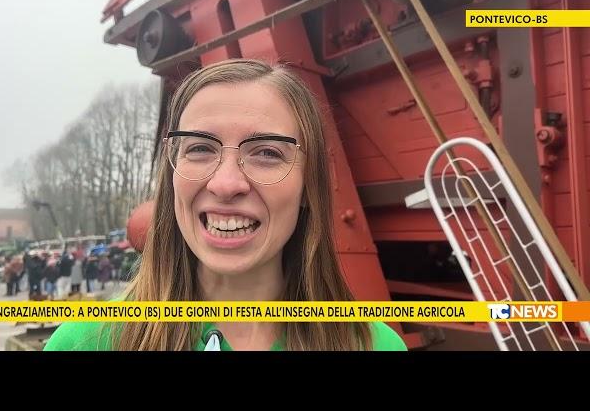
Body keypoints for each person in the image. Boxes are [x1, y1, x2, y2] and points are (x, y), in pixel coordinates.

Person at [45, 58, 407, 351]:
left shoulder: (375, 345)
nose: (226, 184)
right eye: (200, 148)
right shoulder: (85, 342)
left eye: (266, 152)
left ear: (309, 186)